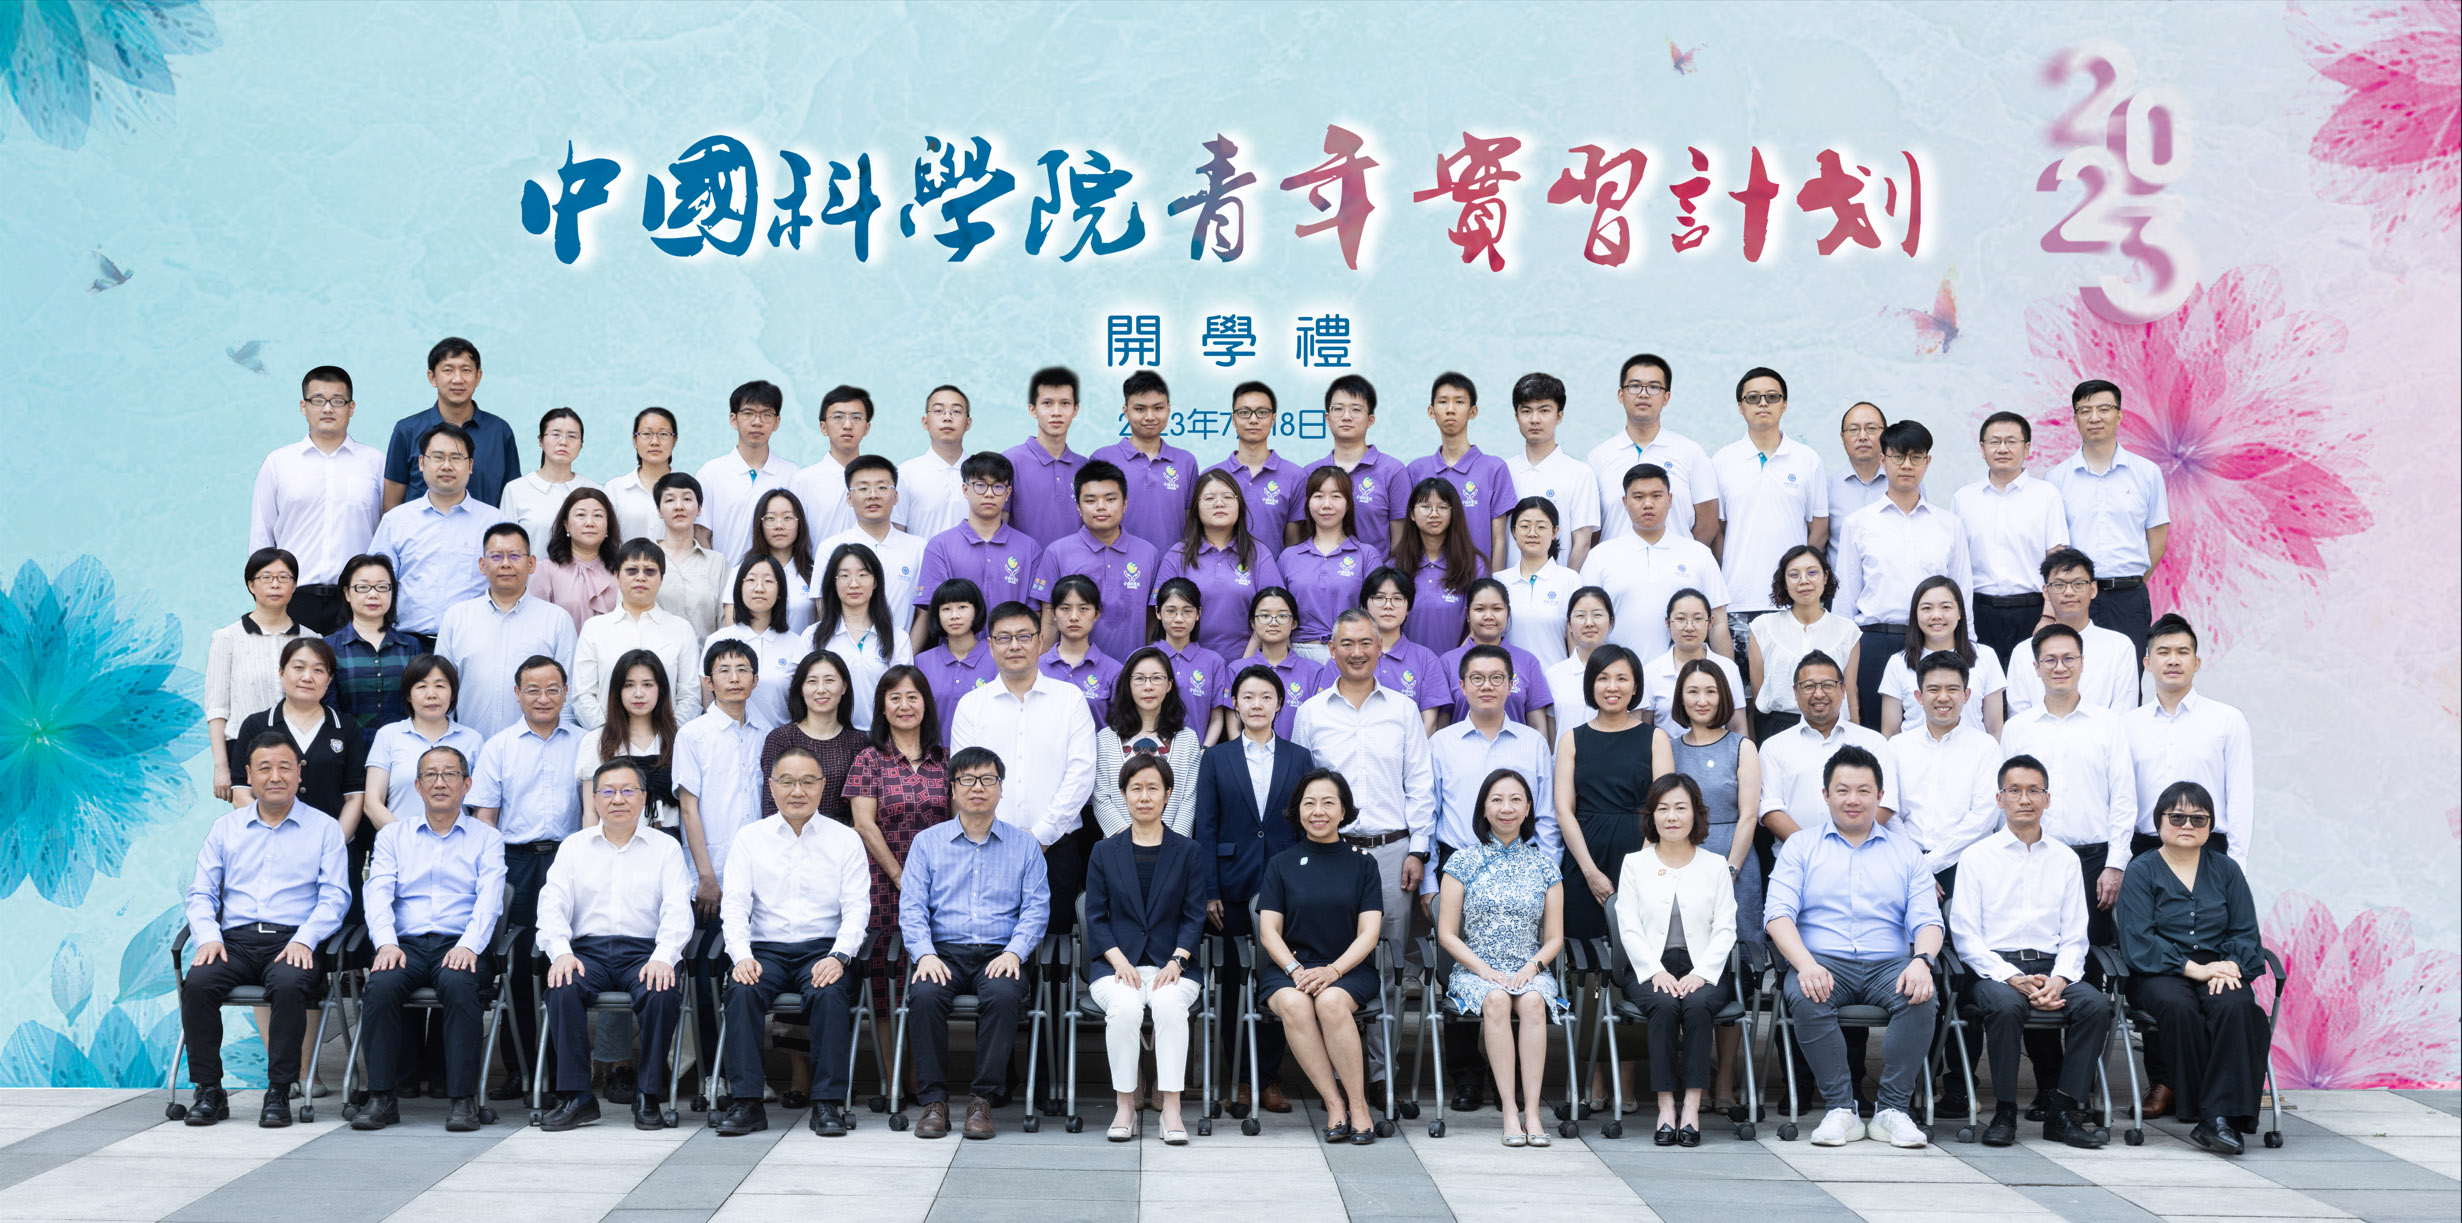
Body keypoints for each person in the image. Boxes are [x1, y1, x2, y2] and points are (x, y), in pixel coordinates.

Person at [1765, 745, 1943, 1147]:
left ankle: (1892, 1111)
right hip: (1822, 960)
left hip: (1889, 964)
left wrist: (1922, 961)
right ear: (1825, 795)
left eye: (1863, 790)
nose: (1853, 799)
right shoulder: (1800, 847)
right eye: (1842, 790)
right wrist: (1805, 964)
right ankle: (1840, 1110)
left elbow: (1928, 919)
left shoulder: (1905, 852)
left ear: (1880, 796)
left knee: (1922, 995)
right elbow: (1777, 914)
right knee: (1807, 993)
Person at [1291, 609, 1435, 1090]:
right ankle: (1338, 1074)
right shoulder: (1311, 713)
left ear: (1380, 648)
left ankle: (1381, 1074)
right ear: (1331, 650)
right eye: (1346, 644)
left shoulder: (1403, 710)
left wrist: (1418, 850)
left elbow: (1420, 784)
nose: (1356, 652)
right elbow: (1303, 788)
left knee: (1389, 964)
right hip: (1330, 853)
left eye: (1365, 643)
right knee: (1333, 960)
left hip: (1392, 852)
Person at [177, 734, 350, 1128]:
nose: (275, 776)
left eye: (284, 767)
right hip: (234, 942)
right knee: (198, 984)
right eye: (265, 768)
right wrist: (208, 937)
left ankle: (279, 1091)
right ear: (249, 775)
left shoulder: (324, 829)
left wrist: (306, 939)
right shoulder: (226, 828)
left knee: (289, 984)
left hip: (293, 940)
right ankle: (209, 1090)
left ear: (299, 773)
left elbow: (335, 897)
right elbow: (201, 892)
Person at [1950, 755, 2113, 1150]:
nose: (2025, 799)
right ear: (1999, 798)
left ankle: (2062, 1111)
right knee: (2007, 1006)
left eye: (2034, 791)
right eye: (2015, 790)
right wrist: (2011, 976)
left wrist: (2060, 979)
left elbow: (2076, 934)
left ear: (2047, 799)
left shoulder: (2065, 859)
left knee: (2095, 1006)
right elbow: (1965, 935)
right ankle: (2005, 1111)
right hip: (1994, 970)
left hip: (2051, 966)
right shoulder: (1976, 857)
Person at [712, 745, 871, 1137]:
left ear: (822, 786)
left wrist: (839, 956)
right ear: (771, 786)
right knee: (741, 991)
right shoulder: (750, 838)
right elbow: (734, 905)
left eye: (807, 781)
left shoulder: (844, 839)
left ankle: (827, 1103)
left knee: (829, 993)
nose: (797, 791)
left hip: (822, 948)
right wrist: (741, 956)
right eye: (787, 781)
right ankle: (747, 1102)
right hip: (764, 949)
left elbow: (857, 907)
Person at [899, 746, 1053, 1139]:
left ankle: (982, 1100)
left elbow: (1037, 908)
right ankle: (934, 1102)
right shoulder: (927, 843)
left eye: (987, 779)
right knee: (924, 996)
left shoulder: (1024, 845)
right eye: (967, 779)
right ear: (952, 789)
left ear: (1001, 788)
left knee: (1002, 995)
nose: (978, 787)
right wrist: (924, 954)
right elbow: (912, 907)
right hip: (943, 954)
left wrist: (1015, 952)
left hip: (1000, 954)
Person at [1427, 659, 1558, 1114]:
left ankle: (1519, 1083)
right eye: (1477, 678)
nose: (1487, 686)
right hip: (1457, 861)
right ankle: (1466, 1076)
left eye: (1497, 678)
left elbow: (1545, 812)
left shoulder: (1532, 742)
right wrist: (1429, 875)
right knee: (1462, 966)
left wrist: (1547, 871)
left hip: (1523, 863)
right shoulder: (1442, 742)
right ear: (1462, 686)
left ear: (1512, 685)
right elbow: (1428, 807)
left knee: (1519, 969)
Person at [536, 760, 696, 1131]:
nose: (618, 799)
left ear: (643, 797)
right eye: (608, 791)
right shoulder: (575, 847)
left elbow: (677, 909)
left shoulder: (665, 848)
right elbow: (552, 905)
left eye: (627, 790)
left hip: (643, 953)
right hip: (587, 953)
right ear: (594, 799)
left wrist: (663, 957)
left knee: (662, 991)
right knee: (561, 986)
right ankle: (577, 1096)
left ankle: (648, 1094)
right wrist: (561, 952)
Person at [354, 744, 505, 1132]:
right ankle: (381, 1097)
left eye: (450, 774)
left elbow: (490, 899)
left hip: (461, 943)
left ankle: (462, 1099)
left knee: (458, 983)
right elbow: (378, 893)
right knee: (381, 985)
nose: (440, 783)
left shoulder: (487, 838)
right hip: (405, 944)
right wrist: (386, 943)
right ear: (418, 786)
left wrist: (469, 945)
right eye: (431, 775)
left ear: (466, 785)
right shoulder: (393, 836)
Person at [2117, 781, 2268, 1155]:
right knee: (2179, 1007)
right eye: (2177, 817)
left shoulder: (2226, 870)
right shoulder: (2141, 870)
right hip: (2158, 970)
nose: (2187, 825)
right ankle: (2211, 1113)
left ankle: (2217, 1119)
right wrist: (2193, 969)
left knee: (2237, 1006)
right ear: (2159, 822)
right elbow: (2139, 939)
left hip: (2219, 965)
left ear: (2210, 826)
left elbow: (2245, 931)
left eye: (2198, 819)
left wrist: (2230, 965)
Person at [1190, 665, 1310, 1115]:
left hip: (1284, 888)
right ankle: (1241, 1078)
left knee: (1279, 980)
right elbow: (1206, 825)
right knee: (1232, 984)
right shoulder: (1216, 758)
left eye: (1266, 697)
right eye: (1248, 697)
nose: (1257, 704)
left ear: (1280, 704)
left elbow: (1305, 826)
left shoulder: (1300, 758)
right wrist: (1209, 890)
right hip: (1231, 889)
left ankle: (1271, 1080)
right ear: (1235, 705)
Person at [1256, 769, 1390, 1145]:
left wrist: (1333, 971)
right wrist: (1295, 970)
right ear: (1297, 810)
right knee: (1295, 1004)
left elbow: (1369, 933)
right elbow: (1269, 932)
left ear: (1343, 810)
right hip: (1291, 968)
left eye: (1328, 803)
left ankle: (1359, 1107)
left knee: (1330, 1002)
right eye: (1309, 803)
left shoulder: (1363, 863)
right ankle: (1335, 1105)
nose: (1318, 811)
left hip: (1348, 968)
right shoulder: (1281, 864)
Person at [1550, 641, 1657, 1107]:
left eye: (1621, 678)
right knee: (1588, 972)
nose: (1612, 687)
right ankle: (1593, 1076)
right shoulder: (1573, 738)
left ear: (1635, 686)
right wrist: (1590, 871)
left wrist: (1638, 870)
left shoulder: (1653, 738)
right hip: (1584, 858)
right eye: (1603, 678)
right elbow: (1563, 809)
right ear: (1590, 685)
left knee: (1635, 965)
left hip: (1641, 855)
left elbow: (1663, 806)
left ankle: (1627, 1081)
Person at [471, 655, 585, 1087]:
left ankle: (561, 1071)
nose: (543, 698)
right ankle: (519, 1069)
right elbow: (485, 818)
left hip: (569, 859)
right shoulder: (499, 746)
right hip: (515, 863)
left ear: (566, 693)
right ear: (517, 694)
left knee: (565, 960)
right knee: (517, 966)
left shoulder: (584, 742)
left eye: (552, 689)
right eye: (533, 690)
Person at [1083, 754, 1210, 1143]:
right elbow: (1095, 916)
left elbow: (1194, 915)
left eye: (1153, 788)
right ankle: (1125, 1105)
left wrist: (1177, 960)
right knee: (1124, 1009)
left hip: (1174, 966)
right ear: (1123, 794)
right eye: (1135, 788)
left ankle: (1171, 1109)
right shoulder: (1104, 851)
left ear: (1168, 794)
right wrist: (1118, 960)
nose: (1144, 796)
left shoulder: (1188, 851)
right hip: (1116, 966)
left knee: (1170, 1007)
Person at [1437, 768, 1567, 1146]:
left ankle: (1532, 1112)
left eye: (1515, 800)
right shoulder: (1462, 861)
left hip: (1529, 966)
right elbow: (1446, 933)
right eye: (1496, 800)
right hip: (1475, 969)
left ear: (1528, 809)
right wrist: (1484, 970)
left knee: (1533, 1002)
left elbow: (1555, 938)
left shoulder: (1545, 866)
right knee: (1495, 1000)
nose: (1506, 808)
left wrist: (1532, 967)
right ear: (1484, 808)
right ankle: (1510, 1111)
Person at [949, 602, 1099, 926]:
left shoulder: (1069, 699)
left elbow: (1082, 773)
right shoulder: (972, 706)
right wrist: (998, 836)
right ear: (990, 646)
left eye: (1023, 636)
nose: (1014, 645)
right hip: (987, 847)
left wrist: (1042, 835)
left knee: (1055, 945)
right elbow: (965, 779)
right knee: (990, 943)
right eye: (1004, 638)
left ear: (1040, 641)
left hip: (1056, 847)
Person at [1664, 660, 1766, 1110]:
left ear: (1723, 696)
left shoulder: (1742, 746)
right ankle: (1695, 1078)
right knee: (1687, 965)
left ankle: (1725, 1081)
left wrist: (1729, 871)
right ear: (1680, 698)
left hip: (1733, 865)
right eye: (1692, 691)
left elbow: (1749, 814)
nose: (1701, 700)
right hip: (1681, 862)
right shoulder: (1668, 747)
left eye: (1710, 691)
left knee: (1731, 969)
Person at [1617, 773, 1738, 1146]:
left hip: (1705, 967)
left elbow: (1726, 928)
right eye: (1663, 808)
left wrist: (1702, 973)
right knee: (1665, 1004)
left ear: (1696, 814)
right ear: (1651, 816)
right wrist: (1655, 971)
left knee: (1698, 1004)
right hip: (1648, 966)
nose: (1671, 817)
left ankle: (1692, 1108)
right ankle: (1666, 1106)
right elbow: (1628, 927)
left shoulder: (1715, 865)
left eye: (1680, 808)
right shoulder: (1634, 864)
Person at [1832, 420, 1974, 731]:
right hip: (1875, 642)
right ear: (1883, 460)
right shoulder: (1859, 523)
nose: (1907, 465)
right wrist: (1841, 662)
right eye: (1898, 457)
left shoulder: (1949, 525)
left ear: (1928, 461)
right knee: (1873, 734)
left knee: (1935, 730)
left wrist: (1966, 648)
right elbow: (1845, 598)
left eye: (1916, 457)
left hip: (1934, 642)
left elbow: (1962, 592)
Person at [2001, 623, 2137, 947]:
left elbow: (2123, 797)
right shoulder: (2018, 728)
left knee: (2092, 953)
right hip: (2031, 856)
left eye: (2068, 658)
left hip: (2093, 861)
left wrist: (2115, 864)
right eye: (2050, 660)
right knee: (2033, 950)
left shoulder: (2107, 725)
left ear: (2082, 663)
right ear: (2036, 668)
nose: (2059, 667)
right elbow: (2006, 798)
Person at [843, 665, 951, 1030]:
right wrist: (900, 877)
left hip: (940, 885)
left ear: (926, 704)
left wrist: (929, 881)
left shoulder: (946, 759)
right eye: (895, 698)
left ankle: (927, 1065)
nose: (904, 706)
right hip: (883, 883)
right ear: (882, 707)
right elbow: (863, 824)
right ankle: (892, 1068)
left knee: (931, 975)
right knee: (885, 979)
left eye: (912, 697)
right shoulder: (869, 759)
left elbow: (957, 823)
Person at [228, 639, 366, 922]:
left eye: (318, 670)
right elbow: (241, 791)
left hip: (335, 855)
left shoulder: (346, 727)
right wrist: (277, 841)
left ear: (329, 680)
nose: (307, 677)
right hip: (268, 853)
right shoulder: (256, 725)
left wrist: (330, 847)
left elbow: (354, 796)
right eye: (298, 667)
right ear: (281, 672)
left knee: (339, 932)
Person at [1712, 367, 1829, 676]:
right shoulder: (1723, 460)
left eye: (1772, 397)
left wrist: (1801, 577)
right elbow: (1718, 530)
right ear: (1740, 406)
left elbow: (1819, 529)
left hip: (1793, 603)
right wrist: (1733, 567)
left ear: (1784, 404)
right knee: (1742, 693)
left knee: (1795, 688)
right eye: (1753, 398)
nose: (1762, 403)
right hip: (1738, 599)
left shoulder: (1807, 459)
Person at [252, 366, 384, 633]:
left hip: (357, 599)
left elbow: (388, 533)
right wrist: (266, 597)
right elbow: (261, 536)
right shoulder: (278, 463)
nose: (327, 408)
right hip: (294, 597)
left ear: (351, 407)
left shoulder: (375, 462)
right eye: (318, 400)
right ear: (303, 406)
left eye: (338, 401)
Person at [2046, 379, 2169, 666]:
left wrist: (2129, 581)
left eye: (2104, 409)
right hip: (2074, 599)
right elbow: (2055, 546)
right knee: (2073, 674)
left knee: (2128, 676)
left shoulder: (2147, 473)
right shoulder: (2056, 479)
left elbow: (2157, 541)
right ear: (2075, 418)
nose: (2095, 418)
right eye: (2085, 410)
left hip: (2128, 597)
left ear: (2119, 415)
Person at [2126, 615, 2253, 863]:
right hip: (2143, 852)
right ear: (2147, 663)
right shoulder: (2127, 725)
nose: (2173, 660)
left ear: (2196, 662)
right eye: (2163, 652)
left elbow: (2240, 798)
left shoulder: (2227, 720)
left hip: (2208, 850)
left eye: (2182, 652)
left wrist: (2236, 867)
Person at [433, 523, 578, 739]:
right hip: (467, 746)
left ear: (531, 563)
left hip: (539, 744)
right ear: (482, 565)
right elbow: (441, 689)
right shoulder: (456, 618)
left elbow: (568, 691)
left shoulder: (557, 620)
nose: (506, 564)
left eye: (515, 556)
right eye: (496, 556)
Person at [1580, 463, 1732, 664]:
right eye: (1638, 497)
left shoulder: (1699, 554)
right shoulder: (1600, 557)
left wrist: (1726, 675)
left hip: (1684, 677)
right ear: (1625, 502)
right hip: (1619, 676)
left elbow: (1718, 623)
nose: (1648, 504)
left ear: (1670, 500)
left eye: (1656, 496)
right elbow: (1581, 623)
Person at [1953, 411, 2070, 663]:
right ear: (1982, 448)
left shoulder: (2046, 494)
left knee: (2031, 680)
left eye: (2011, 441)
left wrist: (2049, 615)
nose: (2002, 448)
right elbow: (1956, 564)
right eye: (1994, 441)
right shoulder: (1964, 498)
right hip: (1978, 612)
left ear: (2027, 448)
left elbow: (2058, 561)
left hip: (2032, 611)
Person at [370, 421, 498, 643]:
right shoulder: (396, 521)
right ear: (421, 462)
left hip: (473, 642)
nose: (446, 466)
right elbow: (375, 583)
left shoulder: (495, 522)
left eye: (456, 458)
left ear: (470, 465)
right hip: (407, 644)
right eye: (438, 457)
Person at [204, 547, 314, 802]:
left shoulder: (311, 639)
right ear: (251, 585)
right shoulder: (227, 637)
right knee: (253, 825)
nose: (275, 584)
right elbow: (217, 708)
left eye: (283, 577)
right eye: (266, 577)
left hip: (300, 753)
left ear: (294, 586)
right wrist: (221, 767)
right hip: (245, 752)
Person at [1756, 652, 1899, 842]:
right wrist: (1810, 850)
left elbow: (1886, 803)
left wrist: (1846, 844)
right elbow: (1770, 809)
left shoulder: (1873, 742)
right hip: (1796, 855)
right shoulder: (1773, 747)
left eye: (1828, 685)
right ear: (1795, 692)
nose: (1819, 694)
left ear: (1843, 689)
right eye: (1809, 686)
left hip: (1862, 852)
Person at [1028, 460, 1160, 666]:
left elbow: (1151, 621)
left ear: (1125, 503)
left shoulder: (1148, 553)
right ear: (1078, 507)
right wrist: (1042, 673)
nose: (1101, 507)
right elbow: (1050, 620)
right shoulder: (1058, 552)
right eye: (1090, 500)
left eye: (1110, 499)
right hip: (1071, 672)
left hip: (1132, 672)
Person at [1890, 653, 2005, 887]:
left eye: (1952, 689)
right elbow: (1890, 812)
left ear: (1966, 695)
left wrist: (1929, 865)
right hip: (1904, 864)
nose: (1943, 697)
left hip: (1966, 865)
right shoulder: (1897, 746)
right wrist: (1914, 865)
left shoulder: (1985, 747)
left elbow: (1984, 817)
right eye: (1933, 689)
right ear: (1919, 696)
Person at [676, 639, 769, 923]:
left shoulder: (766, 733)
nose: (734, 678)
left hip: (762, 874)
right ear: (709, 682)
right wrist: (706, 875)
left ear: (755, 680)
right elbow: (688, 809)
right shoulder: (692, 735)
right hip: (713, 875)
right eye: (724, 670)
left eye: (742, 670)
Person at [913, 451, 1043, 653]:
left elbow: (1035, 612)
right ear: (965, 489)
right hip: (957, 658)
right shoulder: (940, 546)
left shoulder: (1029, 548)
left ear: (1008, 493)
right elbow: (929, 612)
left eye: (998, 486)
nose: (989, 494)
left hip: (1012, 657)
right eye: (980, 485)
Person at [1586, 353, 1719, 548]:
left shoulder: (1691, 453)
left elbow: (1708, 523)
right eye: (1634, 386)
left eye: (1654, 387)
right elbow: (1591, 530)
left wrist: (1683, 557)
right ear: (1620, 395)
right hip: (1617, 564)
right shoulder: (1598, 457)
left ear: (1666, 397)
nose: (1643, 394)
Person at [1158, 468, 1285, 664]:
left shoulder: (1258, 554)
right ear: (1196, 507)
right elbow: (1162, 617)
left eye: (1227, 497)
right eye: (1210, 498)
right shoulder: (1177, 556)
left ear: (1239, 505)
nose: (1219, 503)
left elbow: (1273, 613)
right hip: (1187, 667)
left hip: (1249, 667)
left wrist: (1243, 666)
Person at [380, 339, 518, 511]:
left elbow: (511, 498)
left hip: (485, 528)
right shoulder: (407, 431)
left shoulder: (500, 431)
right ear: (432, 377)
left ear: (478, 377)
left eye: (466, 370)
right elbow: (392, 504)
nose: (458, 379)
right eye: (448, 370)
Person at [2003, 548, 2140, 715]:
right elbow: (2019, 718)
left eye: (2078, 584)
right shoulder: (2024, 651)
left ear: (2093, 589)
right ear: (2046, 592)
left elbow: (2124, 713)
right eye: (2059, 585)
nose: (2069, 592)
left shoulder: (2120, 646)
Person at [364, 654, 485, 840]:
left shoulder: (472, 739)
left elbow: (481, 806)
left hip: (459, 847)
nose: (431, 694)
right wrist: (406, 841)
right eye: (421, 686)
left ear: (453, 693)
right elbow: (372, 803)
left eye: (440, 686)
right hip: (399, 845)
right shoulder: (388, 735)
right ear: (408, 695)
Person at [1748, 544, 1863, 741]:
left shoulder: (1847, 630)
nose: (1804, 581)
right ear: (1784, 582)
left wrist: (1856, 741)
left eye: (1812, 573)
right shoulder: (1762, 627)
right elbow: (1759, 696)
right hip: (1777, 729)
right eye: (1794, 575)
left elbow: (1850, 695)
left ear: (1825, 577)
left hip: (1833, 729)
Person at [1291, 374, 1411, 553]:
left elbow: (1401, 542)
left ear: (1370, 420)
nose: (1346, 416)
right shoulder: (1308, 473)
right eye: (1338, 409)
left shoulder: (1392, 471)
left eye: (1356, 409)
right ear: (1327, 418)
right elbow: (1300, 536)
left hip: (1377, 570)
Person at [1407, 372, 1518, 563]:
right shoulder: (1416, 470)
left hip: (1478, 578)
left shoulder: (1494, 468)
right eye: (1443, 402)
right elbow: (1408, 534)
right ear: (1431, 411)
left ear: (1472, 411)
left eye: (1459, 402)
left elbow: (1499, 540)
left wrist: (1494, 582)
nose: (1450, 409)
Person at [1093, 647, 1204, 835]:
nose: (1148, 686)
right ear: (1128, 684)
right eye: (1139, 678)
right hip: (1119, 846)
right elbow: (1101, 797)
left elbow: (1189, 799)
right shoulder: (1106, 738)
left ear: (1169, 685)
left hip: (1173, 847)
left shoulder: (1187, 739)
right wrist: (1131, 842)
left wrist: (1172, 844)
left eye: (1156, 678)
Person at [1877, 576, 2006, 737]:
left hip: (1974, 751)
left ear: (1959, 612)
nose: (1936, 615)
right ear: (1915, 614)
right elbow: (1890, 732)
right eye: (1927, 608)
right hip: (1915, 752)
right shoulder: (1898, 663)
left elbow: (1995, 729)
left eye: (1946, 607)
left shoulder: (1985, 656)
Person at [1279, 465, 1384, 659]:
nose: (1326, 504)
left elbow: (1375, 616)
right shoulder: (1289, 557)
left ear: (1348, 504)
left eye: (1336, 496)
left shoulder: (1366, 555)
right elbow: (1278, 614)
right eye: (1318, 496)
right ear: (1307, 503)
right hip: (1298, 655)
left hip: (1350, 655)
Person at [1093, 368, 1201, 555]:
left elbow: (1192, 523)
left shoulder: (1186, 462)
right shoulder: (1102, 459)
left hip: (1172, 567)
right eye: (1140, 409)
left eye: (1158, 408)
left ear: (1168, 408)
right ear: (1126, 411)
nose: (1150, 416)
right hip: (1115, 565)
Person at [810, 542, 915, 732]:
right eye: (844, 576)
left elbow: (903, 693)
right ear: (833, 582)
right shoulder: (813, 636)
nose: (854, 583)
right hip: (828, 737)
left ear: (875, 582)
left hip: (882, 737)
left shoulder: (897, 638)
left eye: (863, 574)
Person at [577, 650, 681, 838]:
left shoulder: (679, 739)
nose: (639, 694)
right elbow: (591, 811)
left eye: (647, 684)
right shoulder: (597, 740)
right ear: (617, 691)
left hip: (670, 842)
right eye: (629, 685)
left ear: (661, 689)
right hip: (613, 842)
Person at [324, 554, 423, 749]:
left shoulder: (410, 646)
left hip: (403, 748)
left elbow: (418, 706)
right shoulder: (328, 647)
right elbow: (328, 710)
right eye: (363, 587)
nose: (373, 594)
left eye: (382, 587)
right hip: (348, 750)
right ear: (347, 593)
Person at [1503, 373, 1600, 570]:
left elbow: (1582, 543)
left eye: (1544, 410)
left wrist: (1567, 585)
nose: (1535, 419)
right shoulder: (1503, 471)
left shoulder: (1580, 473)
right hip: (1508, 586)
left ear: (1559, 416)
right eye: (1526, 411)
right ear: (1516, 417)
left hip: (1559, 587)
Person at [696, 379, 800, 563]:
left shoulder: (792, 475)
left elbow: (800, 536)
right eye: (748, 413)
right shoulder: (711, 473)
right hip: (725, 579)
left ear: (776, 422)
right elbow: (701, 534)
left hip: (777, 579)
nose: (757, 422)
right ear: (733, 419)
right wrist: (715, 576)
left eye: (766, 414)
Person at [757, 651, 866, 823]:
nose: (821, 689)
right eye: (812, 681)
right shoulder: (781, 738)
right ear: (801, 689)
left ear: (844, 687)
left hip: (843, 836)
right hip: (789, 836)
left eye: (829, 680)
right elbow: (771, 805)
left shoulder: (858, 743)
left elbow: (864, 812)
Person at [819, 454, 927, 619]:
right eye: (863, 489)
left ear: (896, 496)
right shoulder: (830, 547)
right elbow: (823, 611)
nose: (873, 495)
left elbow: (923, 613)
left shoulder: (918, 548)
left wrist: (904, 638)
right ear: (849, 498)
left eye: (882, 488)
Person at [1442, 580, 1556, 736]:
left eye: (1497, 609)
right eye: (1480, 609)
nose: (1489, 616)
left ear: (1507, 613)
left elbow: (1538, 726)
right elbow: (1442, 726)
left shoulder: (1528, 662)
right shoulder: (1447, 662)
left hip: (1517, 750)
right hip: (1460, 751)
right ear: (1468, 614)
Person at [706, 555, 805, 730]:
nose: (759, 588)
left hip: (781, 740)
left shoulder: (797, 643)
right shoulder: (717, 640)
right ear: (739, 588)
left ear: (780, 590)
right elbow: (708, 703)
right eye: (751, 580)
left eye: (768, 581)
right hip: (728, 739)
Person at [1217, 587, 1329, 738]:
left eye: (1282, 615)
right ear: (1253, 623)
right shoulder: (1236, 669)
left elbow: (1316, 727)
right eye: (1264, 615)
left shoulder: (1315, 672)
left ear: (1294, 622)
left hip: (1298, 753)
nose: (1273, 622)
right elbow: (1234, 729)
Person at [1207, 380, 1308, 538]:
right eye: (1244, 412)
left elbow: (1293, 544)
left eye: (1262, 412)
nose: (1253, 420)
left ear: (1273, 419)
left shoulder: (1295, 476)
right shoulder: (1211, 476)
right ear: (1233, 419)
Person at [1642, 588, 1748, 739]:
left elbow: (1738, 727)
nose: (1689, 627)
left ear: (1710, 622)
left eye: (1698, 619)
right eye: (1680, 619)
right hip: (1666, 753)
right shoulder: (1651, 672)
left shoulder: (1727, 668)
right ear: (1668, 623)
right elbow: (1645, 728)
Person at [1004, 366, 1091, 547]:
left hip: (1074, 565)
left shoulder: (1086, 467)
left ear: (1075, 410)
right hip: (1024, 564)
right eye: (1047, 403)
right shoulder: (1010, 462)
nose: (1056, 412)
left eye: (1065, 403)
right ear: (1032, 410)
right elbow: (998, 526)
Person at [1399, 476, 1489, 652]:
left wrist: (1454, 662)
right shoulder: (1396, 564)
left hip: (1458, 664)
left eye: (1442, 507)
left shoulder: (1474, 565)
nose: (1434, 514)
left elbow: (1482, 623)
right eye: (1425, 506)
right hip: (1406, 665)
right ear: (1412, 514)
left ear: (1454, 513)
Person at [1357, 566, 1451, 731]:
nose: (1388, 605)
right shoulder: (1349, 656)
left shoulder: (1426, 659)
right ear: (1364, 606)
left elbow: (1429, 723)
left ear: (1408, 608)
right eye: (1379, 597)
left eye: (1397, 598)